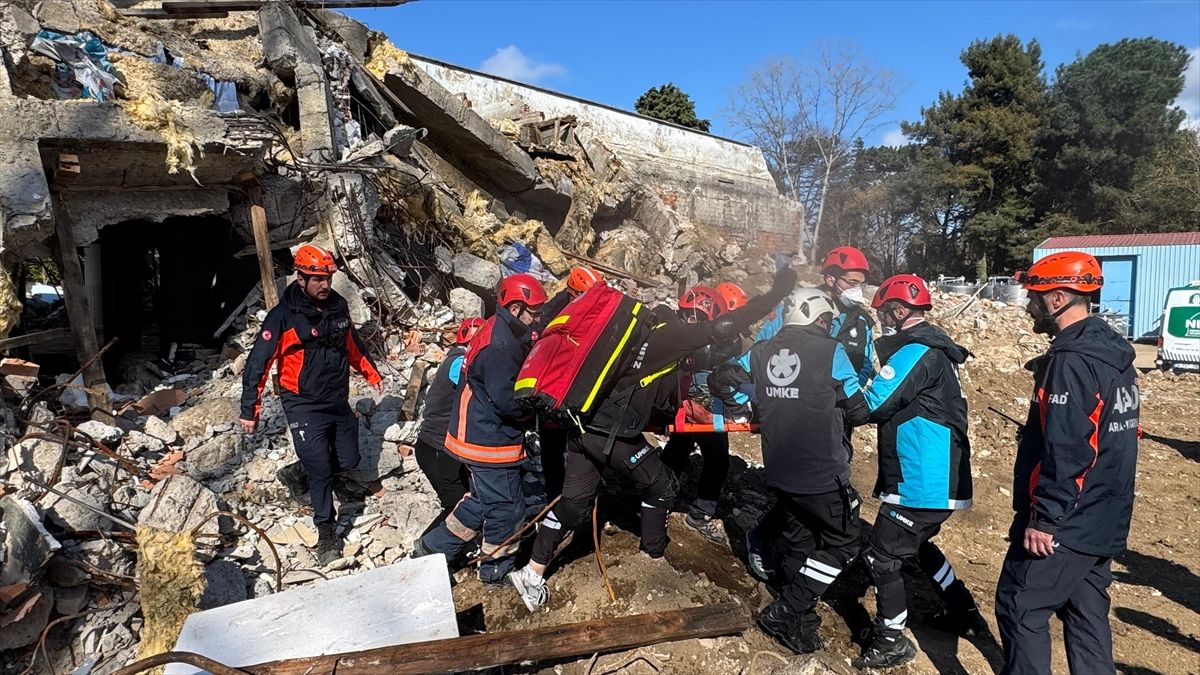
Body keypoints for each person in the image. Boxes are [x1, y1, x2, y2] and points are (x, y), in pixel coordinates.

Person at [507, 268, 799, 612]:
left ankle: (531, 573)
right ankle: (653, 559)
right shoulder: (671, 337)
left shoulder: (641, 332)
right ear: (696, 317)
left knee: (572, 503)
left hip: (582, 427)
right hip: (612, 436)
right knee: (662, 486)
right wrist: (776, 294)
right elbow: (726, 327)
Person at [995, 252, 1139, 675]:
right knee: (1085, 614)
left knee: (1020, 605)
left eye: (1034, 296)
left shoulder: (1072, 360)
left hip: (1068, 520)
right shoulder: (1112, 354)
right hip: (1104, 515)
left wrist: (1045, 519)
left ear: (1057, 298)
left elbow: (1070, 448)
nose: (1028, 305)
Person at [854, 273, 986, 670]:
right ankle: (963, 611)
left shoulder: (915, 351)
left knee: (881, 556)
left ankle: (890, 641)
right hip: (939, 476)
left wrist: (828, 397)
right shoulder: (936, 348)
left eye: (882, 313)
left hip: (923, 477)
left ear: (898, 311)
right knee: (917, 544)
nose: (880, 321)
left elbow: (872, 405)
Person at [737, 288, 869, 653]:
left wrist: (754, 402)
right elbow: (859, 410)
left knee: (800, 540)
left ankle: (801, 621)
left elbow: (726, 378)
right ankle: (786, 610)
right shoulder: (831, 351)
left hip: (780, 469)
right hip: (822, 472)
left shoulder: (760, 351)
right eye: (827, 321)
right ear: (818, 319)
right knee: (845, 544)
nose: (828, 326)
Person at [239, 244, 383, 565]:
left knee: (349, 458)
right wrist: (250, 409)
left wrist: (371, 373)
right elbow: (258, 363)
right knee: (321, 470)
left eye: (327, 278)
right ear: (301, 278)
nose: (324, 285)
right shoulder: (282, 317)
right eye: (317, 279)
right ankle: (326, 531)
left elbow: (352, 343)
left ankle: (297, 471)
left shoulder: (338, 305)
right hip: (302, 403)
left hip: (336, 398)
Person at [414, 273, 548, 584]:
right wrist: (536, 409)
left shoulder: (498, 328)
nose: (538, 319)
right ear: (515, 309)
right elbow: (509, 403)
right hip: (489, 441)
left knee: (482, 500)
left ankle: (432, 548)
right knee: (507, 509)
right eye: (534, 313)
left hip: (477, 432)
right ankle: (495, 570)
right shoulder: (499, 347)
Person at [661, 285, 737, 545]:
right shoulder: (698, 340)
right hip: (693, 405)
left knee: (685, 450)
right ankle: (689, 510)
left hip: (697, 403)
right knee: (709, 457)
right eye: (690, 316)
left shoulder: (711, 342)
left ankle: (660, 500)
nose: (692, 321)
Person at [538, 266, 606, 499]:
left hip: (580, 383)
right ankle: (555, 494)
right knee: (552, 445)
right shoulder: (553, 312)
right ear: (574, 294)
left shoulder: (590, 304)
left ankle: (583, 489)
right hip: (555, 385)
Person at [413, 317, 484, 537]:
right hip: (437, 448)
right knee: (456, 506)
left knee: (466, 500)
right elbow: (470, 383)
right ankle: (426, 547)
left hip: (439, 447)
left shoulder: (455, 358)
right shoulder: (459, 362)